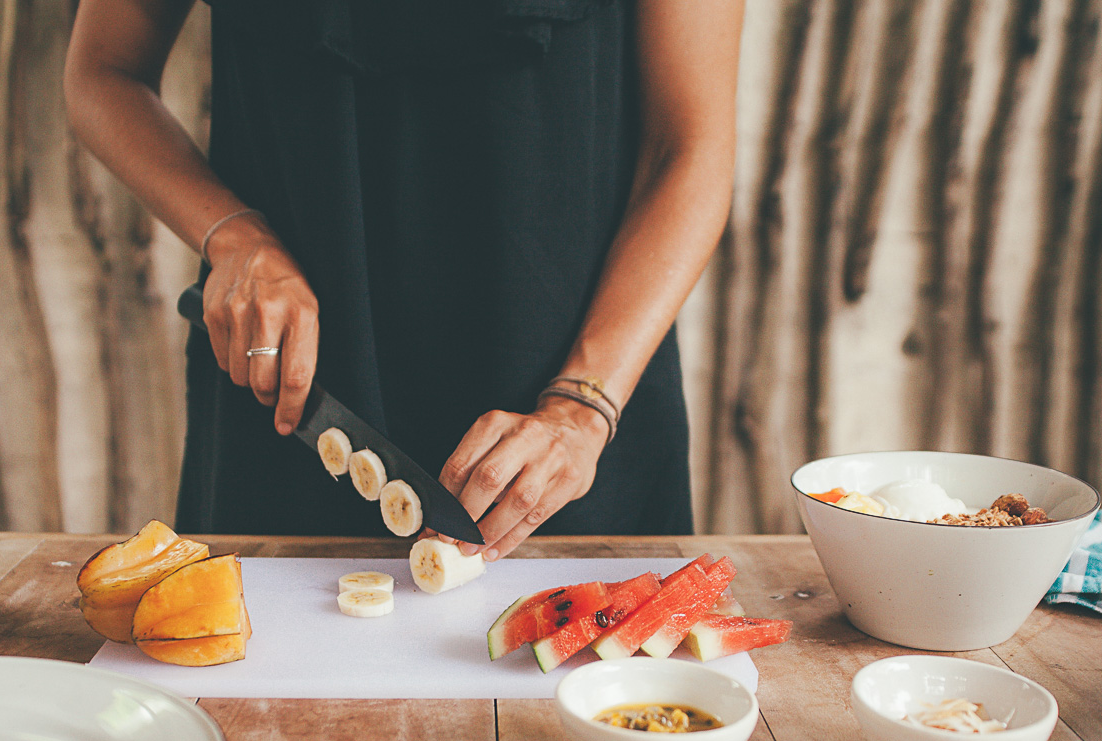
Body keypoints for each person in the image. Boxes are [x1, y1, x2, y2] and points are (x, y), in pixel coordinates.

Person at [65, 0, 744, 559]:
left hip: (569, 428)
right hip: (291, 405)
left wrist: (582, 407)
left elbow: (687, 147)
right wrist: (235, 237)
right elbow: (103, 71)